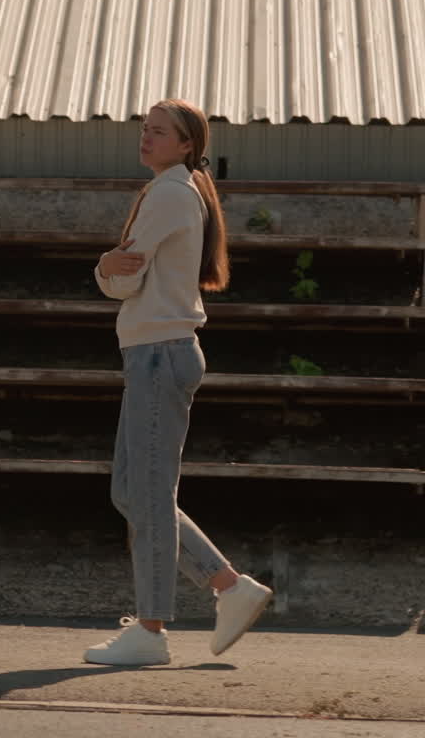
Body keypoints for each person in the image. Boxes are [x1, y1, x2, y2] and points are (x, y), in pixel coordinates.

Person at [83, 99, 272, 666]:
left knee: (147, 494)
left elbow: (122, 279)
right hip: (156, 353)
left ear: (188, 144)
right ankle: (229, 587)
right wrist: (107, 267)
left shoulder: (167, 192)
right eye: (144, 129)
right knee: (130, 492)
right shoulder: (175, 189)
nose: (147, 137)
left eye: (159, 132)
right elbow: (121, 275)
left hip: (158, 355)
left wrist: (102, 266)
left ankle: (151, 630)